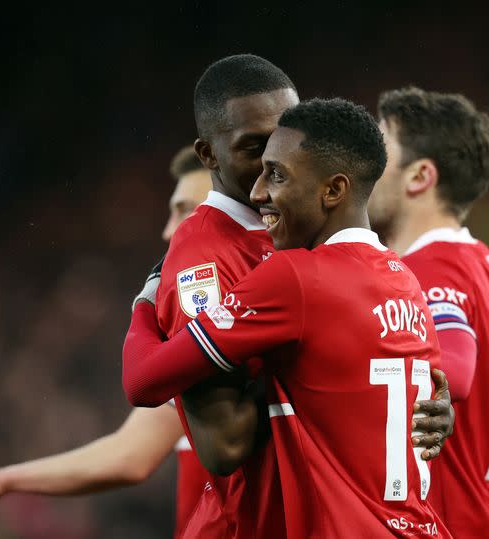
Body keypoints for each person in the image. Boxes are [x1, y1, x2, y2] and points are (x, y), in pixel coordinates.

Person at [124, 97, 451, 538]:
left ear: (333, 190)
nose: (260, 191)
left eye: (276, 174)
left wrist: (146, 302)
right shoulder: (405, 279)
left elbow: (142, 381)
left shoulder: (294, 278)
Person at [0, 146, 213, 537]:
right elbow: (130, 455)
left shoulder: (262, 316)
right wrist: (1, 479)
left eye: (184, 210)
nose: (169, 229)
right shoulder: (201, 335)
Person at [367, 86, 489, 538]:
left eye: (379, 149)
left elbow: (453, 373)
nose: (364, 164)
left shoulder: (427, 268)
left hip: (452, 526)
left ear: (419, 176)